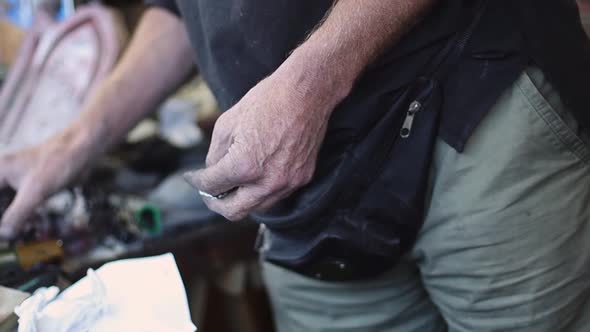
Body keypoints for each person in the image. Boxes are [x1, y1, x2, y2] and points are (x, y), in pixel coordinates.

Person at [2, 0, 590, 330]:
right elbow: (180, 9)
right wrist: (73, 143)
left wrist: (313, 76)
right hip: (301, 198)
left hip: (468, 111)